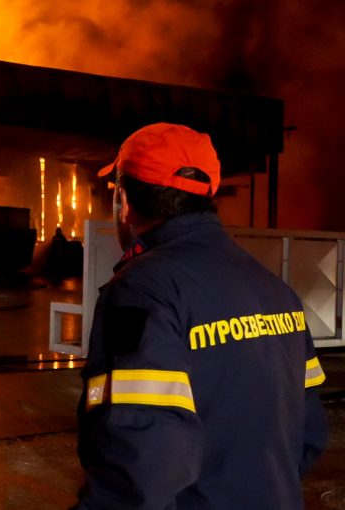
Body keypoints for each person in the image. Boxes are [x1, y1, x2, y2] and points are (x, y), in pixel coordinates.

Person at [74, 123, 328, 509]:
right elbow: (309, 432)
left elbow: (139, 460)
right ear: (208, 194)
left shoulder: (143, 289)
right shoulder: (276, 291)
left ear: (124, 201)